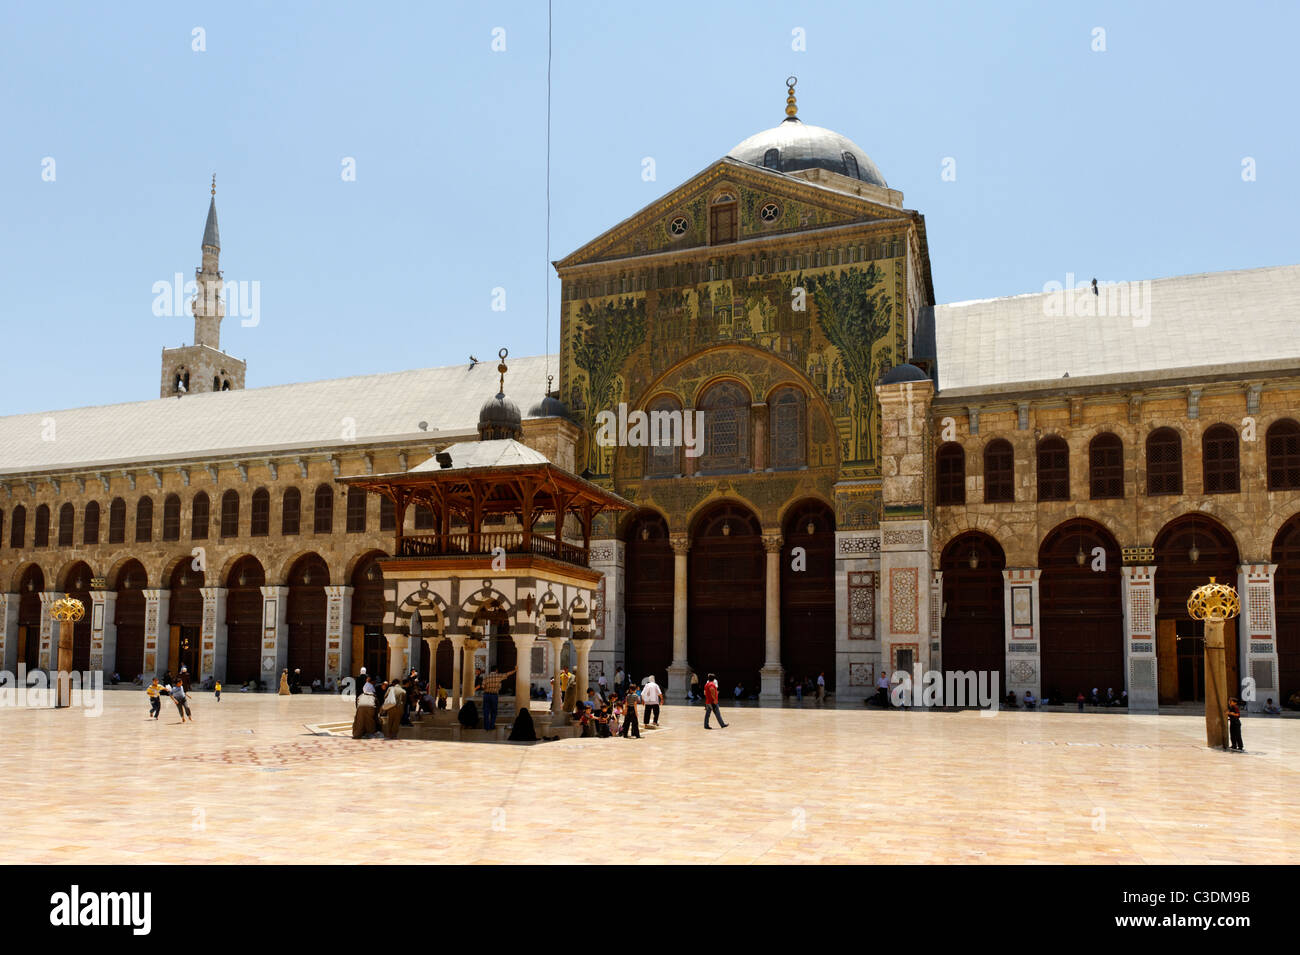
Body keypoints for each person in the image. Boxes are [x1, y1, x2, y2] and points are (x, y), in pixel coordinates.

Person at [481, 665, 517, 731]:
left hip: (486, 695)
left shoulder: (486, 677)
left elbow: (483, 687)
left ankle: (486, 727)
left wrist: (488, 688)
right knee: (494, 711)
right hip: (494, 695)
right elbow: (507, 674)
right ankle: (492, 726)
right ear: (496, 670)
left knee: (486, 711)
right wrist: (515, 670)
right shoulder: (498, 676)